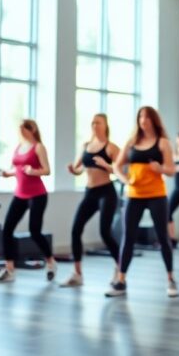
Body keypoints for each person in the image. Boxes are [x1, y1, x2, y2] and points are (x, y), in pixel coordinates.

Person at [108, 106, 177, 298]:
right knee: (128, 237)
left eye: (146, 117)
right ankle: (121, 280)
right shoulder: (132, 142)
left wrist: (160, 168)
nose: (143, 121)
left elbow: (171, 170)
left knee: (163, 237)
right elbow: (116, 166)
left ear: (153, 120)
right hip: (134, 195)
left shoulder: (163, 143)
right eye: (140, 117)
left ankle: (171, 279)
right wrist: (124, 179)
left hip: (156, 195)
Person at [60, 114, 122, 291]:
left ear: (105, 125)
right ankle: (77, 273)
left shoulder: (111, 148)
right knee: (75, 229)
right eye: (93, 122)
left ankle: (120, 269)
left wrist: (105, 164)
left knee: (105, 232)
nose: (94, 125)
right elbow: (79, 168)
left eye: (98, 122)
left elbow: (120, 172)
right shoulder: (85, 146)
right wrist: (73, 170)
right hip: (90, 192)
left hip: (106, 192)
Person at [0, 119, 56, 283]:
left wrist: (33, 171)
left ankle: (50, 262)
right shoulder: (19, 147)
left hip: (37, 195)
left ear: (32, 129)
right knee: (7, 230)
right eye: (19, 129)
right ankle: (9, 269)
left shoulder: (39, 147)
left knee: (34, 231)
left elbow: (47, 170)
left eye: (23, 129)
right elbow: (19, 169)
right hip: (20, 194)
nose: (20, 132)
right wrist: (9, 173)